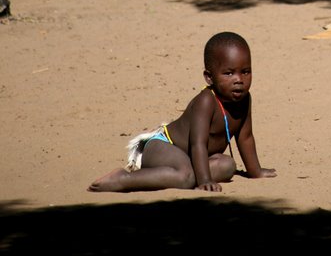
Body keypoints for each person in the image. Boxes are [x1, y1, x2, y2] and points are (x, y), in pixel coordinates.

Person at [88, 31, 276, 192]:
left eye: (245, 71)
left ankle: (181, 175)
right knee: (185, 176)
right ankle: (124, 179)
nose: (239, 80)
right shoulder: (206, 101)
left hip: (192, 158)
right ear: (209, 77)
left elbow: (245, 137)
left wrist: (255, 172)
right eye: (228, 73)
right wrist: (204, 181)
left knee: (227, 166)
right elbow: (198, 144)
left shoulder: (245, 99)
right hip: (164, 147)